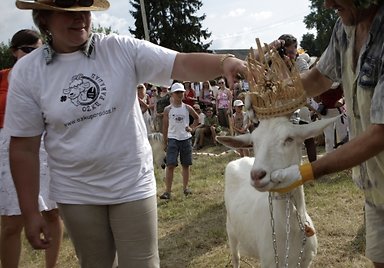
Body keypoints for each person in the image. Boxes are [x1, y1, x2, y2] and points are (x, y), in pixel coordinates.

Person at [4, 1, 246, 267]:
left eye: (84, 10)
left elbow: (181, 62)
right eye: (68, 13)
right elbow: (23, 148)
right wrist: (30, 211)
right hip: (76, 192)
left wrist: (225, 61)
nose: (80, 19)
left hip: (131, 183)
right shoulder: (28, 72)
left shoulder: (119, 48)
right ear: (44, 18)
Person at [268, 1, 384, 267]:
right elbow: (319, 77)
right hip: (378, 186)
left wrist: (305, 173)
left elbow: (381, 133)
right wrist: (273, 96)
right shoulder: (347, 24)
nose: (327, 3)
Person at [0, 29, 63, 268]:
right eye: (26, 50)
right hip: (8, 147)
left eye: (37, 50)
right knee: (11, 222)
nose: (31, 55)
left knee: (52, 213)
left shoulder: (49, 78)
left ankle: (51, 266)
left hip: (44, 146)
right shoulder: (2, 78)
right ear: (13, 51)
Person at [160, 83, 200, 200]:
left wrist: (192, 128)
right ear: (172, 94)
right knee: (170, 165)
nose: (180, 94)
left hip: (185, 138)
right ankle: (167, 191)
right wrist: (165, 141)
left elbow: (197, 118)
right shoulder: (168, 109)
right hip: (173, 139)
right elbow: (165, 126)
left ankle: (186, 188)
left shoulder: (187, 108)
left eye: (181, 92)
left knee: (186, 164)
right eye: (177, 92)